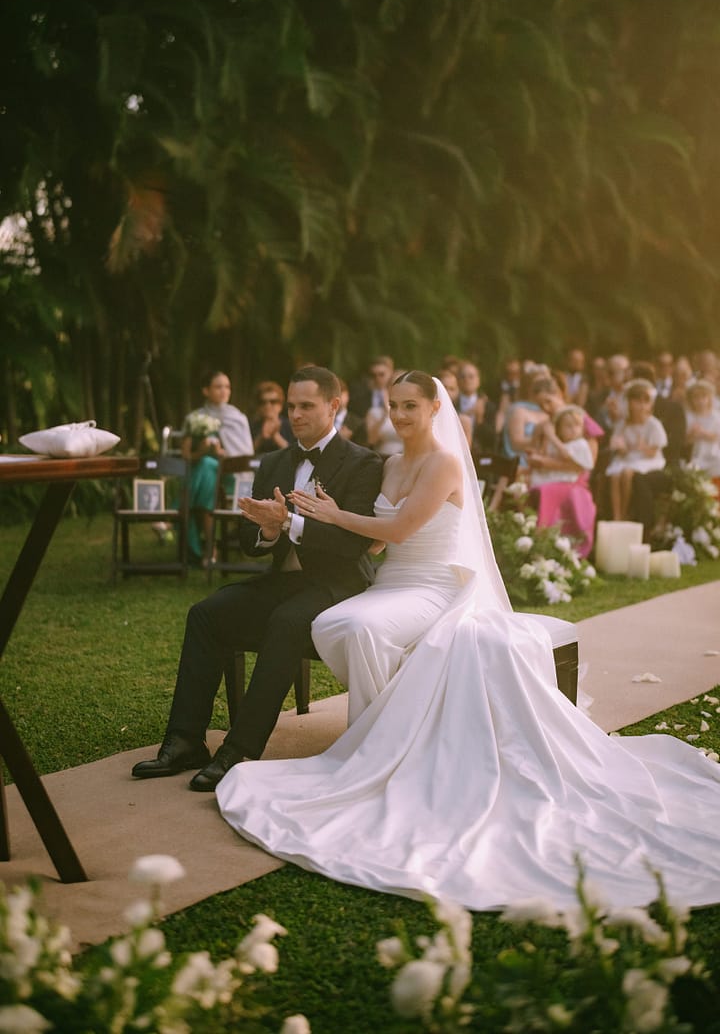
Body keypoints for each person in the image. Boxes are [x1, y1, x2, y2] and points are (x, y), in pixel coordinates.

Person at [217, 371, 720, 911]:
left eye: (411, 405)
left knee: (358, 626)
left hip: (433, 586)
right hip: (392, 584)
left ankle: (372, 749)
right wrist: (319, 518)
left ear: (436, 408)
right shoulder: (388, 465)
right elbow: (379, 552)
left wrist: (331, 514)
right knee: (331, 622)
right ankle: (384, 734)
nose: (400, 415)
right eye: (393, 406)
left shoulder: (445, 463)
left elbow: (399, 532)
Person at [132, 366, 384, 790]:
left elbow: (351, 543)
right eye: (291, 406)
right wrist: (268, 530)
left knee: (286, 621)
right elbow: (249, 539)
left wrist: (289, 523)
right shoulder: (273, 462)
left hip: (338, 584)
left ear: (333, 406)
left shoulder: (364, 463)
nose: (295, 415)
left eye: (307, 406)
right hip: (285, 582)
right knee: (206, 614)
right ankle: (184, 740)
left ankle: (239, 749)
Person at [180, 371, 254, 563]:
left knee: (207, 470)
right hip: (206, 475)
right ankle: (211, 548)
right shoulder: (195, 418)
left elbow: (246, 456)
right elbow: (186, 457)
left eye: (227, 387)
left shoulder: (238, 417)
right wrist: (203, 451)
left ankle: (207, 547)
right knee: (207, 467)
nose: (224, 391)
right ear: (206, 390)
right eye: (218, 386)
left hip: (233, 476)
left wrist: (225, 456)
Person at [527, 405, 597, 557]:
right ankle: (539, 538)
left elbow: (565, 456)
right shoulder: (559, 444)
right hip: (554, 480)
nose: (573, 429)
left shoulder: (580, 444)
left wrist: (552, 437)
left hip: (570, 483)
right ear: (559, 428)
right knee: (538, 487)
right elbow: (546, 455)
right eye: (568, 426)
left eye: (577, 425)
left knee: (548, 492)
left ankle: (548, 534)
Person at [606, 379, 667, 521]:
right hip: (628, 457)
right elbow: (621, 449)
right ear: (629, 403)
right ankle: (617, 515)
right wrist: (622, 449)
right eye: (637, 401)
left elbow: (653, 452)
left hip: (647, 459)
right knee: (615, 476)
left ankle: (625, 510)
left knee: (627, 473)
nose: (641, 406)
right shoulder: (623, 424)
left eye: (645, 402)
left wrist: (642, 446)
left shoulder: (653, 424)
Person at [250, 381, 294, 455]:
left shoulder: (291, 425)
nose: (268, 406)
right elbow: (246, 453)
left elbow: (295, 453)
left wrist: (276, 437)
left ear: (280, 405)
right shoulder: (252, 426)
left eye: (273, 402)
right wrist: (261, 438)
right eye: (263, 402)